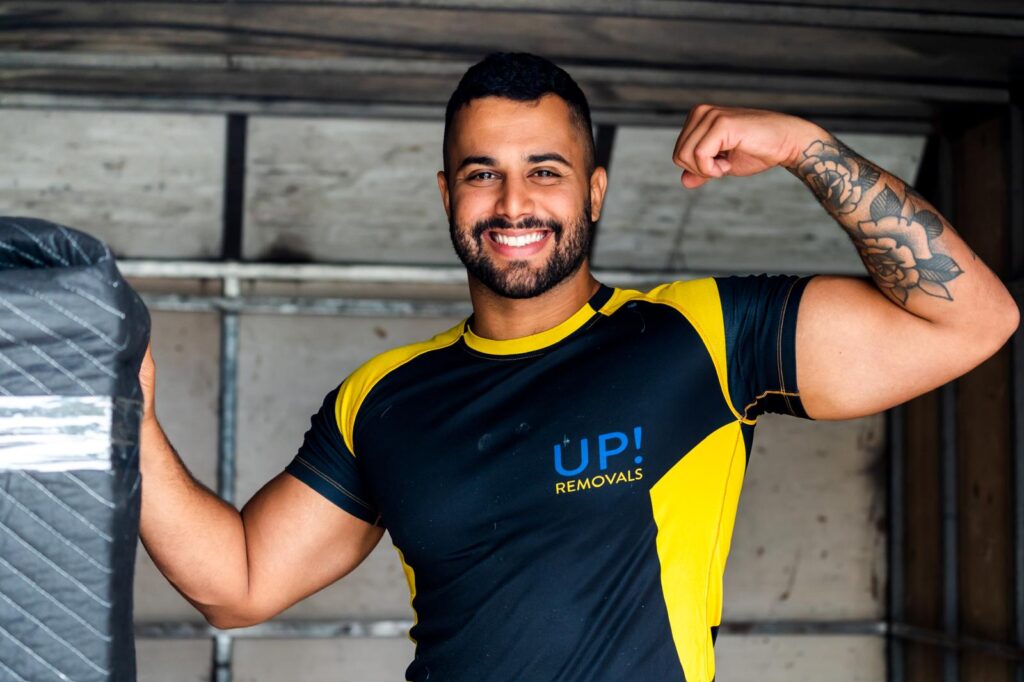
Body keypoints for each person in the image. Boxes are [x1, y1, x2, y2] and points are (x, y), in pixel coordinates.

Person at [137, 53, 1019, 682]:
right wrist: (126, 415)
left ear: (593, 191)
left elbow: (972, 321)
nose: (514, 203)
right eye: (482, 174)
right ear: (448, 194)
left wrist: (804, 148)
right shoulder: (383, 399)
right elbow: (240, 584)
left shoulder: (699, 335)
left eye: (545, 172)